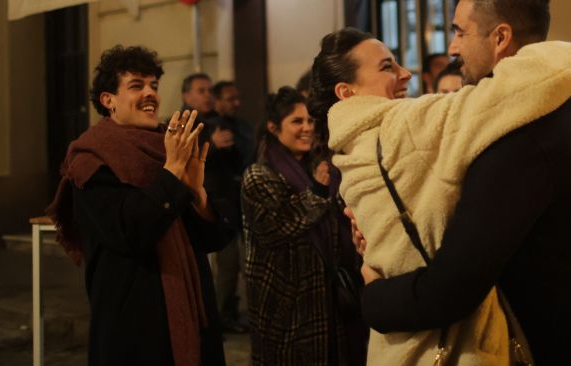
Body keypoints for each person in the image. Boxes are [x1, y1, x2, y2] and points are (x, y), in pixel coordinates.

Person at [352, 0, 571, 364]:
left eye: (460, 32)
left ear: (500, 38)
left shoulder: (522, 132)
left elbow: (451, 290)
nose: (452, 47)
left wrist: (374, 295)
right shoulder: (560, 99)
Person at [314, 26, 571, 365]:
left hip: (395, 343)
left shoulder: (347, 147)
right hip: (452, 345)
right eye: (387, 67)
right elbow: (552, 71)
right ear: (347, 91)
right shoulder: (404, 127)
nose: (405, 74)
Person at [46, 45, 231, 366]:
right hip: (135, 323)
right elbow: (130, 232)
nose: (150, 94)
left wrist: (198, 194)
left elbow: (214, 239)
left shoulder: (170, 147)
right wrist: (172, 173)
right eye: (136, 86)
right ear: (108, 100)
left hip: (193, 309)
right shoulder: (91, 160)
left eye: (154, 85)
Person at [242, 87, 366, 366]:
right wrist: (318, 192)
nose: (307, 128)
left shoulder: (318, 167)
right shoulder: (259, 175)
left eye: (310, 120)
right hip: (287, 302)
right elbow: (277, 227)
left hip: (328, 297)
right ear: (273, 127)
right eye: (297, 121)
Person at [207, 80, 256, 333]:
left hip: (243, 204)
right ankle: (221, 317)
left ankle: (236, 314)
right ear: (216, 101)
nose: (236, 103)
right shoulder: (208, 127)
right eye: (229, 98)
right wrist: (213, 145)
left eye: (237, 98)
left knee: (247, 265)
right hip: (222, 207)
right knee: (227, 266)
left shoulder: (243, 127)